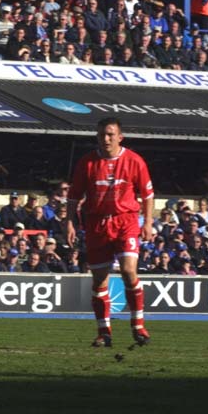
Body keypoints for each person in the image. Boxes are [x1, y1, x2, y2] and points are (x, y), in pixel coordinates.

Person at [67, 117, 154, 348]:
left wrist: (147, 223)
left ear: (120, 136)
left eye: (110, 134)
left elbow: (147, 195)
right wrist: (69, 222)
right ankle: (104, 332)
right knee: (99, 280)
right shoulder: (87, 163)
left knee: (128, 270)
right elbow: (74, 196)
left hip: (125, 221)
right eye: (101, 135)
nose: (105, 139)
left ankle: (138, 325)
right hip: (96, 224)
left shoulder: (135, 161)